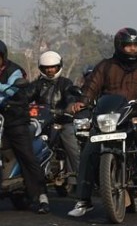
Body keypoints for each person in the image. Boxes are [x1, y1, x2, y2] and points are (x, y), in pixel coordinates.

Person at [67, 28, 137, 217]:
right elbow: (91, 86)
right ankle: (83, 200)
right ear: (119, 46)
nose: (132, 49)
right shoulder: (105, 66)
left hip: (134, 117)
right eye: (128, 46)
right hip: (107, 119)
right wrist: (81, 102)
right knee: (88, 152)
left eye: (135, 45)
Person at [0, 41, 50, 214]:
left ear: (3, 57)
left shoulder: (15, 71)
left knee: (26, 155)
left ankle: (42, 196)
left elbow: (13, 90)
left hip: (14, 118)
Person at [29, 51, 81, 195]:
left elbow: (70, 96)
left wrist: (68, 107)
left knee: (70, 140)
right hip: (42, 121)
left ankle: (80, 178)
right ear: (41, 68)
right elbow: (26, 96)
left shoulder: (65, 83)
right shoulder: (37, 84)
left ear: (59, 67)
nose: (50, 70)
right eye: (46, 67)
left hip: (62, 120)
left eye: (53, 67)